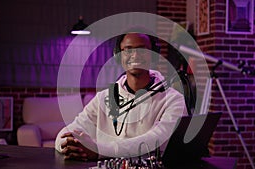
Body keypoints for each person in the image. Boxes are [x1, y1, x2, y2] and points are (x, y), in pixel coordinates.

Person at [55, 28, 187, 161]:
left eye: (142, 50)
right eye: (128, 50)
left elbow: (158, 140)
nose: (135, 55)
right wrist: (69, 145)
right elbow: (68, 131)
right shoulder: (104, 97)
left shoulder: (173, 100)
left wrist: (98, 150)